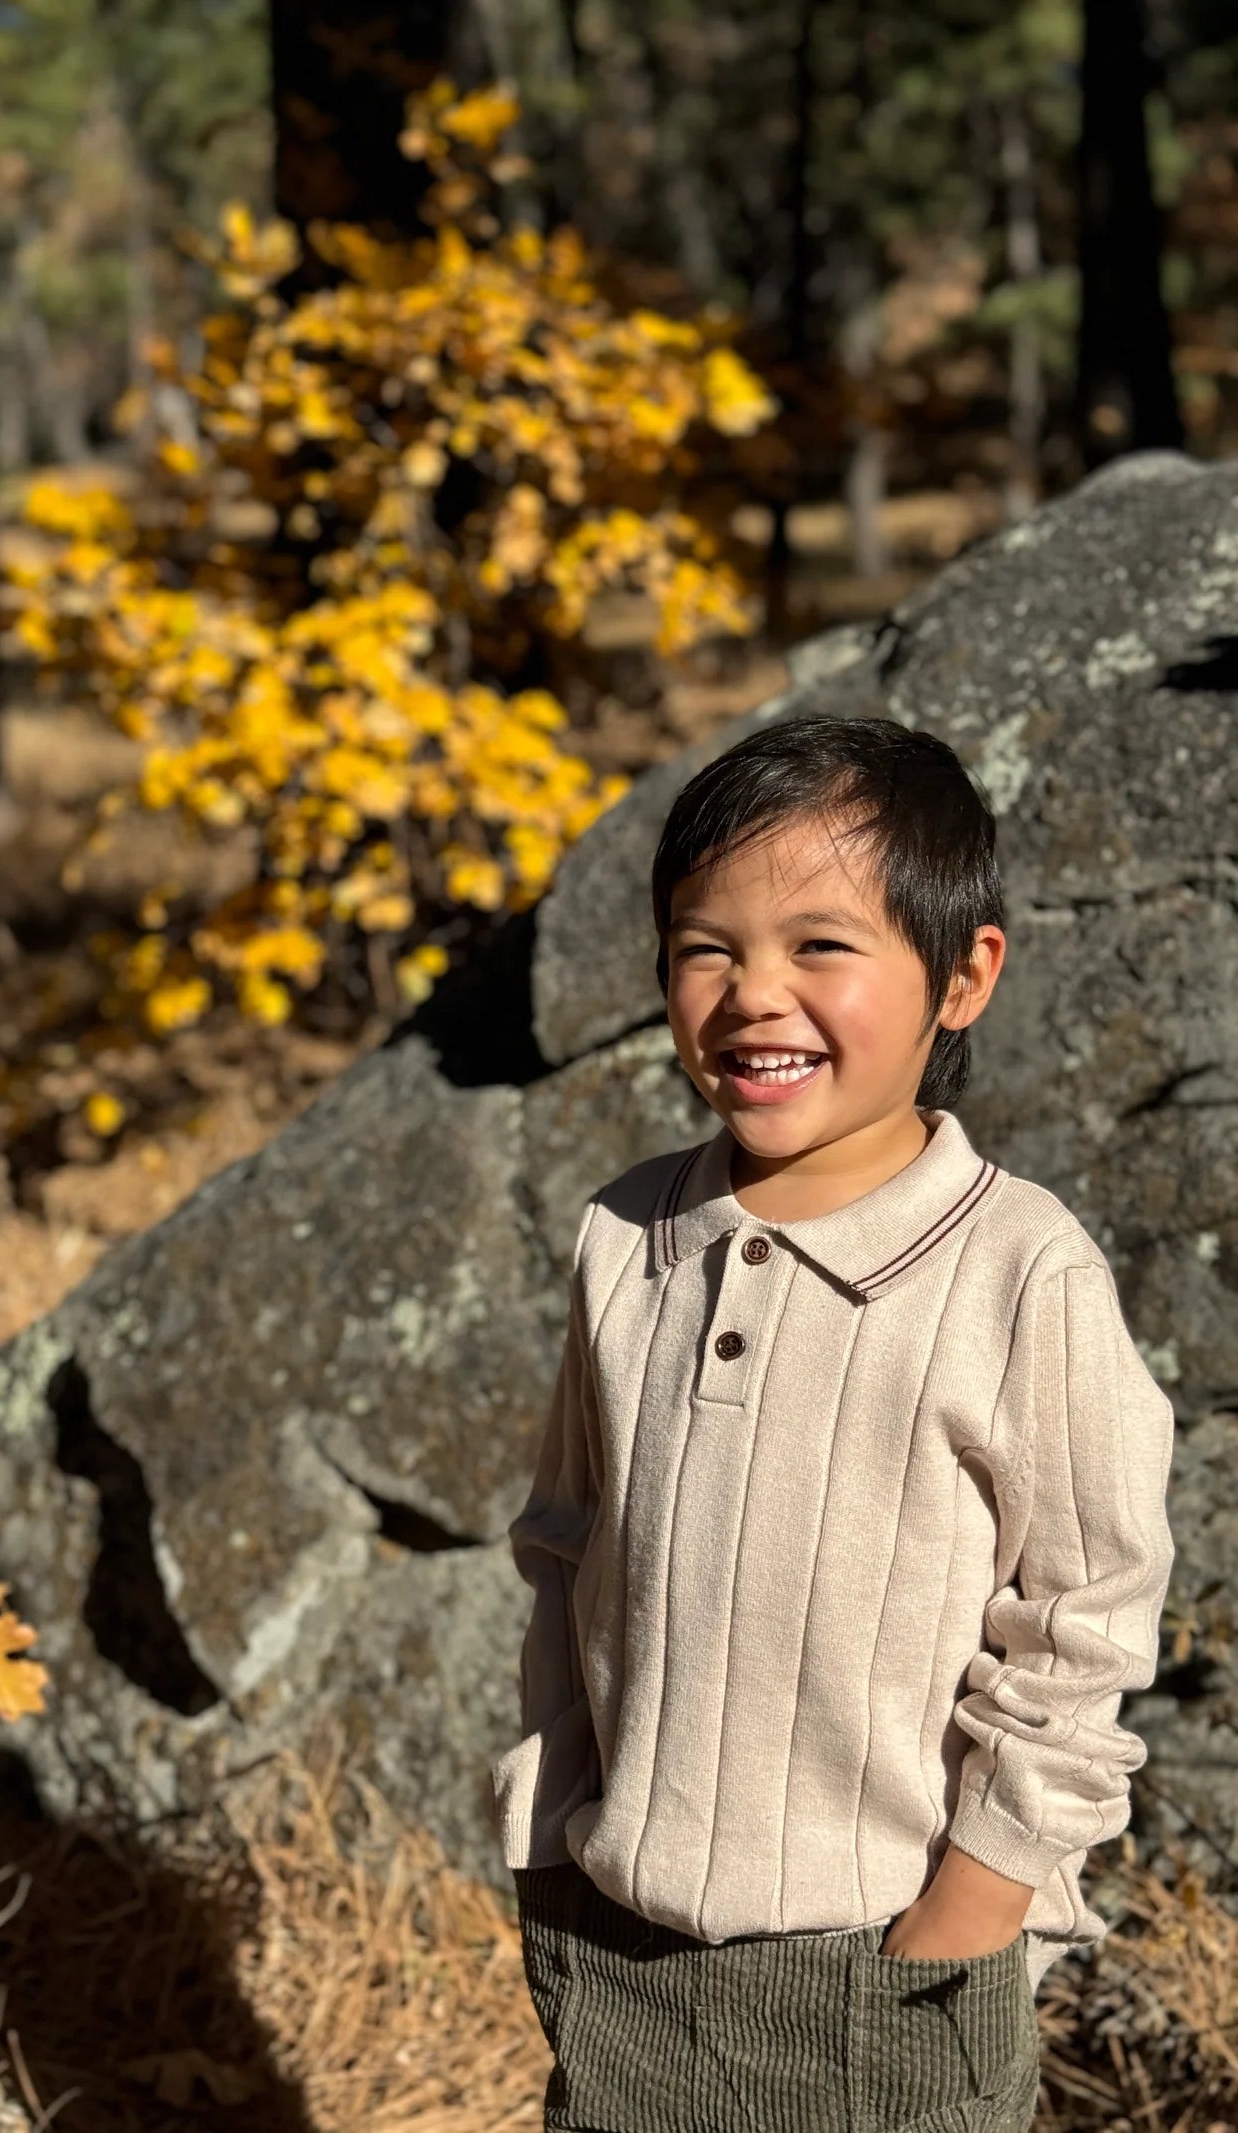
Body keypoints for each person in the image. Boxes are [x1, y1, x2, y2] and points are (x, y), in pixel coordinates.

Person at [488, 713, 1177, 2133]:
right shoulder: (627, 1237)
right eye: (706, 947)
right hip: (621, 1943)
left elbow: (1089, 1611)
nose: (753, 995)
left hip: (885, 1968)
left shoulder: (1016, 1271)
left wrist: (978, 1894)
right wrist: (554, 1824)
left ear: (964, 973)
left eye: (821, 945)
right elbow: (566, 1544)